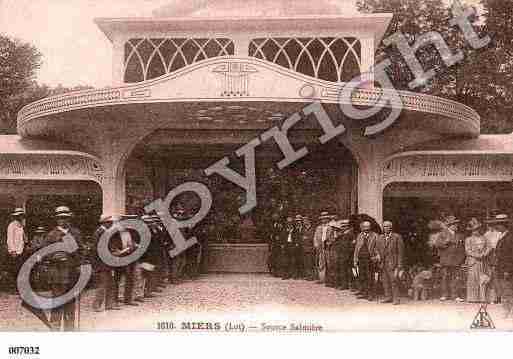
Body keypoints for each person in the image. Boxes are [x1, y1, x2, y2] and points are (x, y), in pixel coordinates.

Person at [44, 206, 86, 331]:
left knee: (70, 304)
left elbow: (82, 251)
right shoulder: (51, 235)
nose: (63, 220)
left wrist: (81, 264)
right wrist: (55, 256)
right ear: (57, 220)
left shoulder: (76, 233)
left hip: (72, 273)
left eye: (65, 218)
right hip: (57, 274)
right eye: (60, 218)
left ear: (69, 218)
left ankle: (69, 330)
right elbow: (44, 252)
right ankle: (55, 329)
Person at [92, 215, 121, 312]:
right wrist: (112, 252)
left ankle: (109, 304)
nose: (111, 224)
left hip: (108, 262)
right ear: (105, 222)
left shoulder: (105, 232)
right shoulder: (99, 232)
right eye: (110, 222)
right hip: (102, 263)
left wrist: (114, 251)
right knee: (103, 284)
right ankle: (97, 305)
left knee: (110, 283)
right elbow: (97, 249)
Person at [436, 216, 465, 302]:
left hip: (457, 260)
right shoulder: (442, 234)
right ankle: (444, 295)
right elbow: (437, 244)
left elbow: (462, 248)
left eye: (457, 224)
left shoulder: (459, 235)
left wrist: (461, 258)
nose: (457, 226)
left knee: (456, 277)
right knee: (445, 277)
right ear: (450, 225)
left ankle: (455, 295)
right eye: (455, 224)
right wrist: (446, 242)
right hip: (446, 259)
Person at [376, 221, 404, 305]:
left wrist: (399, 265)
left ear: (391, 227)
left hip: (393, 263)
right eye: (384, 226)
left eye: (388, 226)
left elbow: (400, 252)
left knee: (394, 281)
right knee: (385, 281)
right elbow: (377, 249)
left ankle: (396, 298)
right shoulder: (380, 237)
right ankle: (388, 297)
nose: (386, 228)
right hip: (383, 263)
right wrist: (377, 256)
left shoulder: (397, 237)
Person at [464, 218, 491, 303]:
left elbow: (489, 247)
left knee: (482, 278)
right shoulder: (468, 239)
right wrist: (476, 255)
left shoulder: (484, 238)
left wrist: (485, 254)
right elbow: (467, 250)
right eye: (474, 230)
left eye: (478, 229)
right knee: (472, 278)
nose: (476, 231)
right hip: (473, 261)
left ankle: (482, 297)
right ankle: (472, 298)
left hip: (482, 261)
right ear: (471, 231)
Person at [492, 214, 513, 316]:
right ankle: (507, 310)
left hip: (506, 268)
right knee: (504, 289)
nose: (496, 227)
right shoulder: (503, 236)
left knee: (507, 290)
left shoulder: (509, 237)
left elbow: (509, 255)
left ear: (503, 225)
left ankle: (507, 311)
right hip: (501, 267)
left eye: (498, 224)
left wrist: (507, 270)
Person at [353, 221, 379, 301]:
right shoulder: (360, 235)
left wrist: (376, 257)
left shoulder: (375, 235)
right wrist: (355, 259)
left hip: (370, 259)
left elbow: (377, 248)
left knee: (370, 277)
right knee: (362, 276)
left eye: (368, 227)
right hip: (361, 259)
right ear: (362, 228)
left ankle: (371, 294)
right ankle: (364, 293)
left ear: (370, 227)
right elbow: (356, 248)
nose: (366, 229)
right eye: (364, 227)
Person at [7, 208, 27, 281]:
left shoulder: (21, 226)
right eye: (19, 215)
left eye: (22, 215)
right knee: (15, 269)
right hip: (15, 251)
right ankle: (14, 286)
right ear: (16, 216)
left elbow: (24, 239)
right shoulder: (12, 225)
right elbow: (10, 239)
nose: (21, 217)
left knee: (21, 267)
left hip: (21, 250)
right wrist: (13, 250)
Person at [313, 211, 333, 283]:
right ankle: (321, 278)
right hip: (320, 246)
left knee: (329, 262)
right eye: (322, 219)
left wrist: (329, 243)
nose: (324, 220)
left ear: (328, 219)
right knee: (321, 262)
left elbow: (332, 237)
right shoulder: (318, 228)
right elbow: (315, 237)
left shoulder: (331, 228)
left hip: (328, 246)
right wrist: (316, 244)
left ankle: (329, 279)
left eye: (325, 219)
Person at [337, 219, 354, 290]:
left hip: (348, 254)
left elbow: (352, 245)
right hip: (342, 254)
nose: (343, 228)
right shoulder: (342, 234)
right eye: (342, 226)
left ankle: (351, 285)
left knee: (350, 270)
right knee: (343, 269)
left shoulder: (350, 234)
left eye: (345, 226)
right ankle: (344, 284)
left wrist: (349, 253)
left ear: (348, 227)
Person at [300, 215, 315, 281]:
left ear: (309, 221)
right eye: (303, 221)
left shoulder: (312, 229)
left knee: (310, 262)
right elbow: (301, 237)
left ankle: (312, 276)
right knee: (306, 262)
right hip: (304, 247)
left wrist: (306, 238)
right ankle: (308, 275)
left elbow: (313, 237)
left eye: (305, 221)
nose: (304, 222)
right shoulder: (303, 229)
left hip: (310, 247)